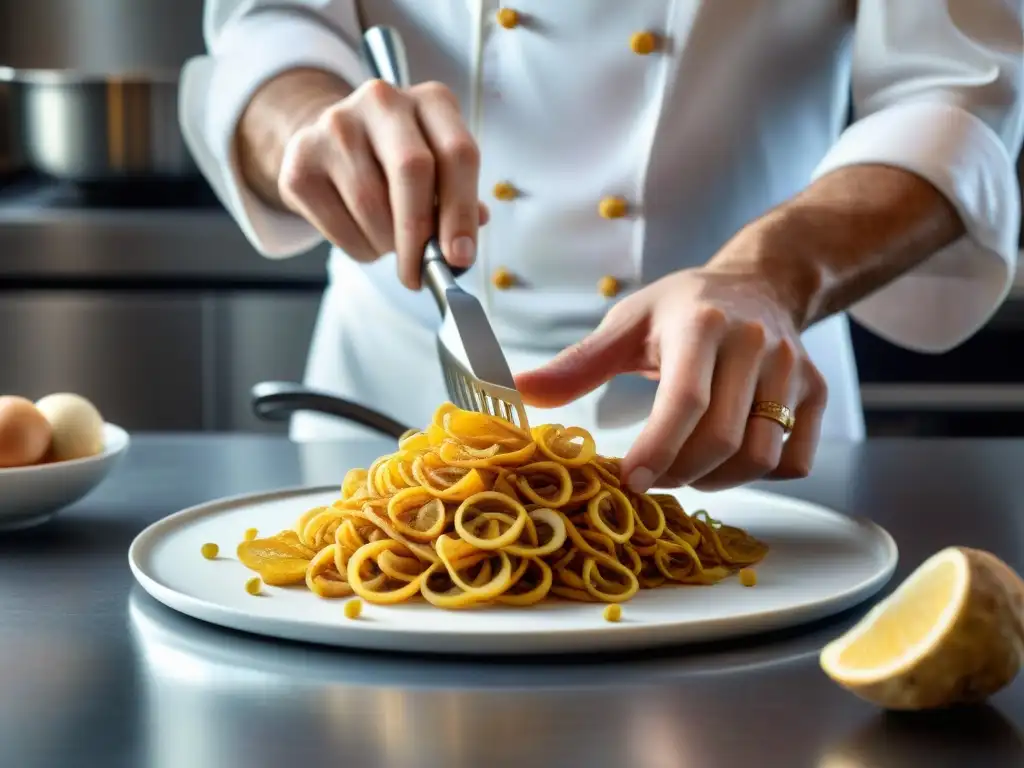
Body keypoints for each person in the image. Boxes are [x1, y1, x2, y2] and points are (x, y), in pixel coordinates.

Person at [180, 1, 1023, 494]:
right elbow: (270, 23)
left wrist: (765, 277)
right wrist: (302, 119)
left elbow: (958, 93)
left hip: (740, 415)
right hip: (380, 404)